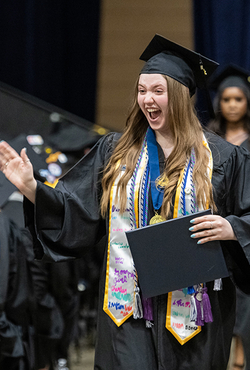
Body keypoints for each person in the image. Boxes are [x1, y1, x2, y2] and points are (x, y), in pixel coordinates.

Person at [1, 34, 250, 370]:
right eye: (141, 90)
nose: (147, 99)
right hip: (127, 310)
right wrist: (33, 188)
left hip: (196, 313)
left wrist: (232, 227)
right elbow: (75, 208)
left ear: (179, 96)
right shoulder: (116, 152)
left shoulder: (224, 157)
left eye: (157, 91)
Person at [208, 64, 250, 370]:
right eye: (227, 99)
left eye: (239, 99)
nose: (232, 105)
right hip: (214, 233)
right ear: (218, 102)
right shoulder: (207, 139)